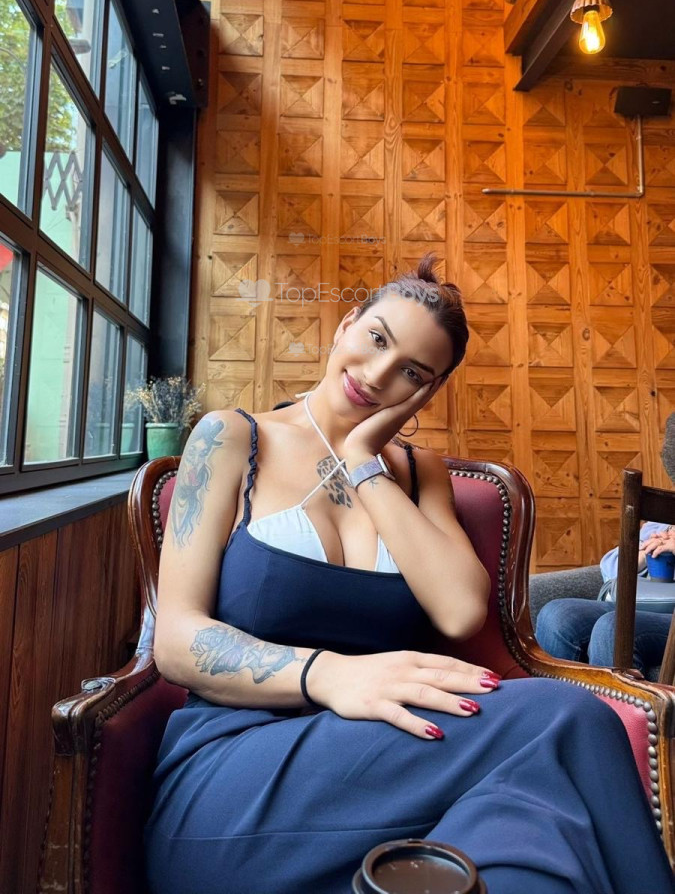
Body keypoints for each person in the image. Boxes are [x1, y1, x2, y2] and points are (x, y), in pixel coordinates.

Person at [143, 253, 674, 894]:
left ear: (428, 391)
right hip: (234, 775)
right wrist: (331, 674)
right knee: (572, 720)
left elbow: (460, 612)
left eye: (412, 372)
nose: (377, 375)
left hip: (390, 763)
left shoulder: (420, 476)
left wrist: (364, 461)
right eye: (376, 339)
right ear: (347, 324)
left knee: (528, 850)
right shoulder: (230, 438)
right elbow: (177, 640)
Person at [536, 525, 674, 673]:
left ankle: (613, 690)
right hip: (642, 604)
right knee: (556, 615)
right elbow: (609, 568)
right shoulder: (661, 525)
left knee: (613, 628)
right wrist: (646, 554)